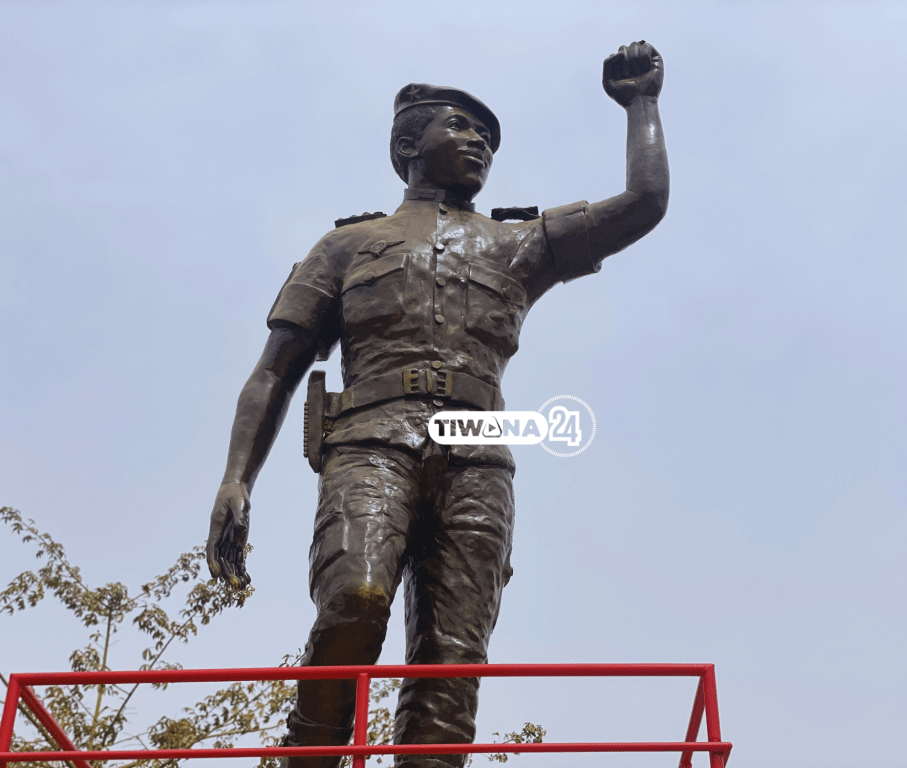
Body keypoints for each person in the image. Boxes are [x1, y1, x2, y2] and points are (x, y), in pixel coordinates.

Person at [206, 41, 669, 768]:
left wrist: (642, 103)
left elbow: (644, 205)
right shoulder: (346, 246)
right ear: (407, 146)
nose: (479, 142)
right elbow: (273, 372)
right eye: (461, 127)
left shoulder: (516, 244)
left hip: (477, 458)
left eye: (488, 137)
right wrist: (238, 477)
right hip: (369, 443)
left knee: (451, 660)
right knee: (355, 598)